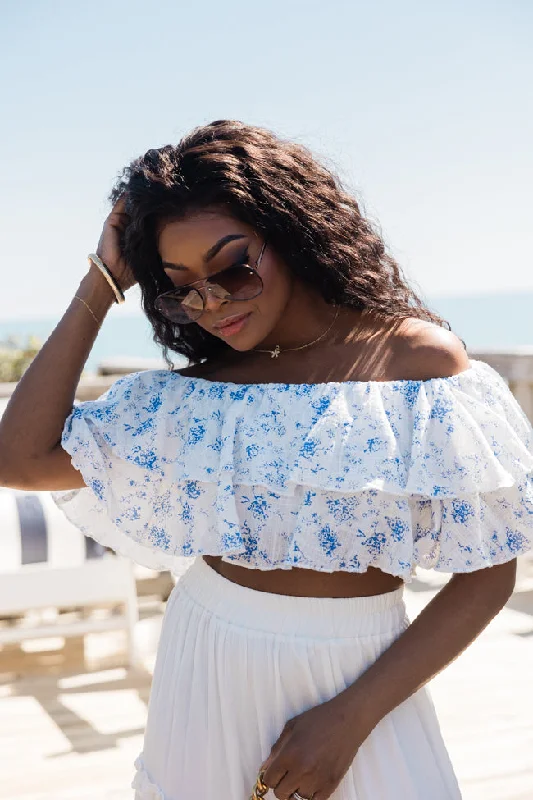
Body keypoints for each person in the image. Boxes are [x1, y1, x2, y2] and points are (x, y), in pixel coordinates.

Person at [1, 120, 532, 800]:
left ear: (291, 234)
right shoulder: (198, 396)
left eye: (232, 268)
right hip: (205, 656)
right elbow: (20, 460)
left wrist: (352, 716)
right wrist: (102, 282)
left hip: (356, 673)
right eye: (179, 285)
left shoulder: (412, 365)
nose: (211, 300)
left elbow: (485, 578)